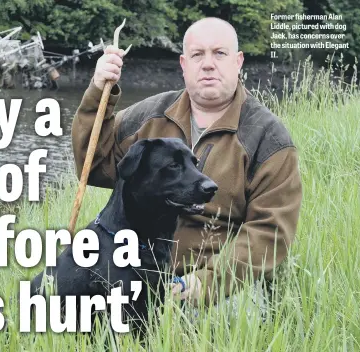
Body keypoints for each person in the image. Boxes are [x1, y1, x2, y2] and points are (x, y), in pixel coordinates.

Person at [70, 17, 303, 308]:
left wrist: (205, 284)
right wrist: (97, 91)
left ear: (238, 61)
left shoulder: (269, 138)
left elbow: (270, 232)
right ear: (183, 64)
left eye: (220, 53)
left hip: (213, 285)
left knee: (228, 321)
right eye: (197, 55)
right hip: (133, 272)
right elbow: (93, 165)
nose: (208, 64)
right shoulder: (149, 116)